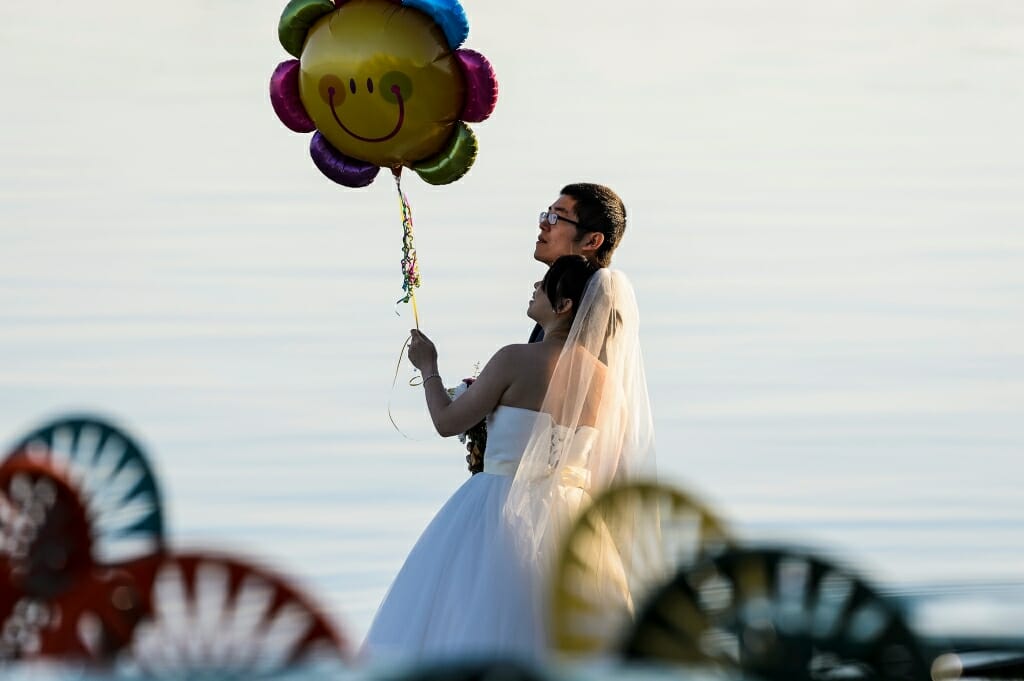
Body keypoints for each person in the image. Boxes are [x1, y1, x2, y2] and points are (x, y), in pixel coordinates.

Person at [361, 255, 655, 663]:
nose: (536, 285)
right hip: (573, 522)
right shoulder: (608, 384)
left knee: (472, 624)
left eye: (545, 282)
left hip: (497, 510)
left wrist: (428, 367)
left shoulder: (516, 359)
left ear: (564, 305)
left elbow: (447, 422)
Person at [530, 183, 628, 344]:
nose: (543, 225)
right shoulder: (552, 304)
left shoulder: (591, 315)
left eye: (556, 218)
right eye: (547, 215)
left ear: (592, 241)